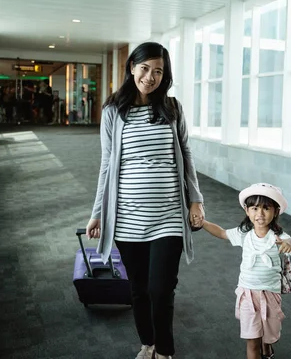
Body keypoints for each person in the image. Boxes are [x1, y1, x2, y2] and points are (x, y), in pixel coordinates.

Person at [85, 42, 205, 359]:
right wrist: (98, 212)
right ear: (131, 67)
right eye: (145, 68)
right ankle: (148, 343)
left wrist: (195, 199)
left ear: (165, 76)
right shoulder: (113, 111)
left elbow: (186, 155)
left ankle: (164, 351)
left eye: (158, 71)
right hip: (126, 217)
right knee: (138, 289)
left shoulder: (172, 109)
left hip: (168, 216)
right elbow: (106, 164)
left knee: (160, 289)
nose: (150, 76)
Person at [200, 183, 291, 359]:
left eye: (266, 208)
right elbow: (223, 233)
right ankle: (262, 347)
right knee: (252, 339)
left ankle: (267, 346)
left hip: (270, 293)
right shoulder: (244, 234)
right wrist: (203, 222)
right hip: (247, 293)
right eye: (254, 208)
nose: (260, 214)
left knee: (268, 330)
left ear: (276, 211)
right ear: (247, 211)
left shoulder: (280, 238)